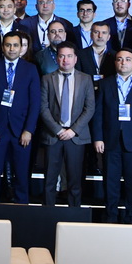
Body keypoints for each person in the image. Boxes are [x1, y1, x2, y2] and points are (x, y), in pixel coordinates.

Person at [95, 48, 132, 223]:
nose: (123, 63)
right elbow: (98, 114)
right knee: (110, 181)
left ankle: (131, 216)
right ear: (115, 63)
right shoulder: (105, 84)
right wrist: (98, 137)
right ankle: (110, 216)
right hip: (110, 140)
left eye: (128, 59)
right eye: (120, 59)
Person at [0, 31, 41, 205]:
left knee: (21, 174)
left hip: (21, 131)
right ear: (2, 47)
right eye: (8, 45)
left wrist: (29, 130)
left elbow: (35, 103)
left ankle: (22, 210)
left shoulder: (30, 69)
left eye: (15, 45)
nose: (12, 49)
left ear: (21, 48)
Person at [38, 42, 95, 208]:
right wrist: (58, 130)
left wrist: (73, 130)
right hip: (53, 135)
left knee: (75, 181)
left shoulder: (85, 79)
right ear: (57, 59)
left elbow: (90, 108)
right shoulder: (47, 79)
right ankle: (47, 214)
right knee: (49, 180)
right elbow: (43, 108)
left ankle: (74, 216)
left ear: (75, 59)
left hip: (76, 137)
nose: (65, 60)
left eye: (69, 56)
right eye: (62, 56)